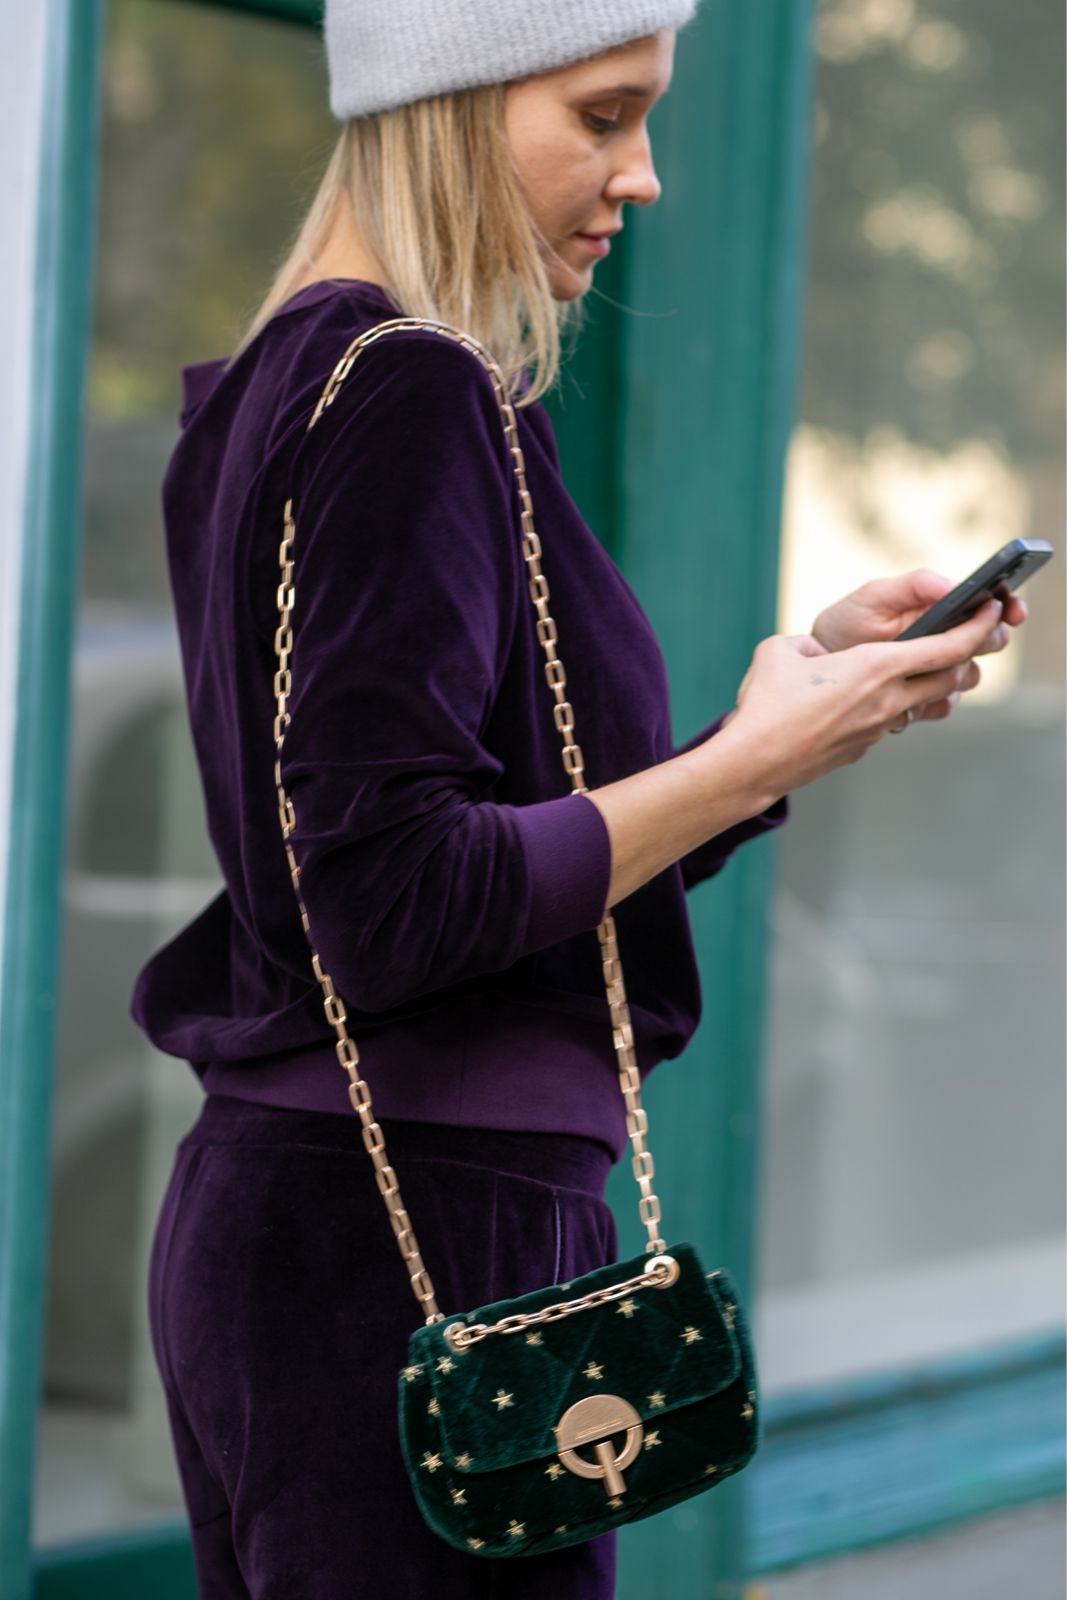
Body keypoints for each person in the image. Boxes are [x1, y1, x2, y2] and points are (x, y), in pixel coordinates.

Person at [132, 3, 1025, 1596]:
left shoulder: (297, 383)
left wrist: (788, 708)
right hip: (413, 1243)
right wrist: (753, 761)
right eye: (603, 115)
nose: (647, 176)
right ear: (455, 102)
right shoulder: (406, 390)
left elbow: (447, 849)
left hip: (344, 1228)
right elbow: (394, 897)